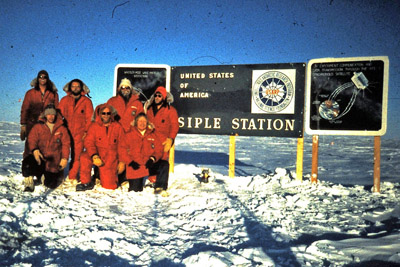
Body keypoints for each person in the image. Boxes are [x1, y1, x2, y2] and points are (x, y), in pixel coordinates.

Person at [76, 104, 125, 191]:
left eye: (108, 113)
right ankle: (86, 182)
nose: (106, 115)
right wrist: (94, 155)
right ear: (99, 114)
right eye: (103, 113)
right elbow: (89, 142)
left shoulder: (117, 127)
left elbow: (122, 145)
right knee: (84, 157)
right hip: (97, 153)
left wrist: (122, 162)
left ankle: (102, 175)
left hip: (110, 156)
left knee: (110, 186)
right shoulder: (94, 126)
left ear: (111, 114)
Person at [22, 104, 70, 192]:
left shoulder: (62, 128)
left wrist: (64, 158)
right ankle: (29, 182)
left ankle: (46, 176)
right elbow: (31, 139)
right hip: (40, 157)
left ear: (56, 115)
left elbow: (66, 144)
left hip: (53, 160)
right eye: (48, 114)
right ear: (45, 115)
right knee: (27, 162)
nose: (51, 117)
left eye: (53, 114)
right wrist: (35, 150)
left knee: (51, 184)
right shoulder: (38, 127)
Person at [144, 86, 179, 193]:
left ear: (164, 97)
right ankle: (152, 179)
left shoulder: (170, 110)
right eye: (156, 95)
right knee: (150, 158)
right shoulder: (149, 110)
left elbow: (175, 126)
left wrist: (171, 139)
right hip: (151, 140)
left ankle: (161, 185)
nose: (157, 97)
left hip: (164, 141)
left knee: (162, 161)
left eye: (160, 95)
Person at [58, 79, 93, 183]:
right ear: (70, 88)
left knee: (76, 156)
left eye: (78, 86)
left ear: (81, 88)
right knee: (61, 154)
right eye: (73, 86)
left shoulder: (86, 101)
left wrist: (86, 132)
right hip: (66, 132)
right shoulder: (64, 100)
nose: (75, 88)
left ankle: (72, 177)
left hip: (80, 134)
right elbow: (59, 116)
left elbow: (90, 119)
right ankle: (58, 176)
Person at [119, 113, 163, 193]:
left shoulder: (152, 135)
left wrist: (152, 159)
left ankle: (160, 186)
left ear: (147, 123)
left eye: (144, 121)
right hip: (136, 165)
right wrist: (130, 162)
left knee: (164, 164)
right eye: (140, 121)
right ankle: (127, 180)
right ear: (136, 122)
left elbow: (159, 150)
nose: (142, 123)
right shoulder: (129, 135)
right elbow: (122, 150)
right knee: (135, 190)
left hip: (149, 163)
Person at [20, 70, 59, 158]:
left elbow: (57, 110)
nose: (42, 79)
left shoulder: (53, 94)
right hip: (32, 123)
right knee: (30, 146)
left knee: (45, 147)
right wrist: (23, 124)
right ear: (37, 79)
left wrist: (57, 124)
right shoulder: (30, 93)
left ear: (47, 79)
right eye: (40, 77)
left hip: (47, 124)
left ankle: (43, 169)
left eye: (45, 77)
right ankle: (27, 168)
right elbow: (25, 109)